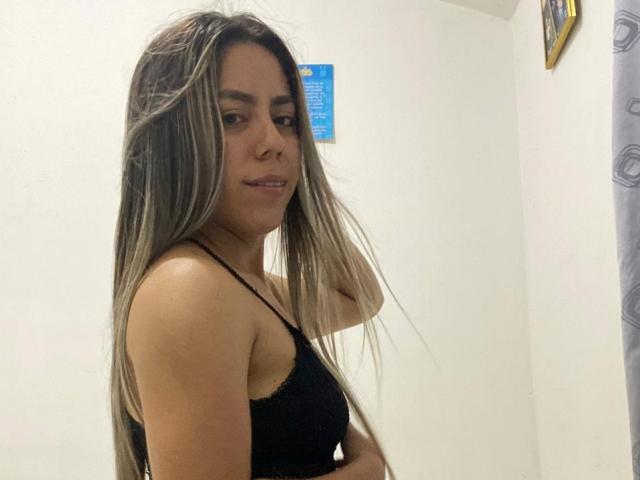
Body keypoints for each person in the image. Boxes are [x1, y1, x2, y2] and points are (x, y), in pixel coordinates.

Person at [110, 9, 407, 480]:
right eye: (233, 117)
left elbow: (360, 296)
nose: (273, 141)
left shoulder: (248, 287)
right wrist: (367, 469)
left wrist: (307, 194)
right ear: (172, 144)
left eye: (285, 119)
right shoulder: (191, 288)